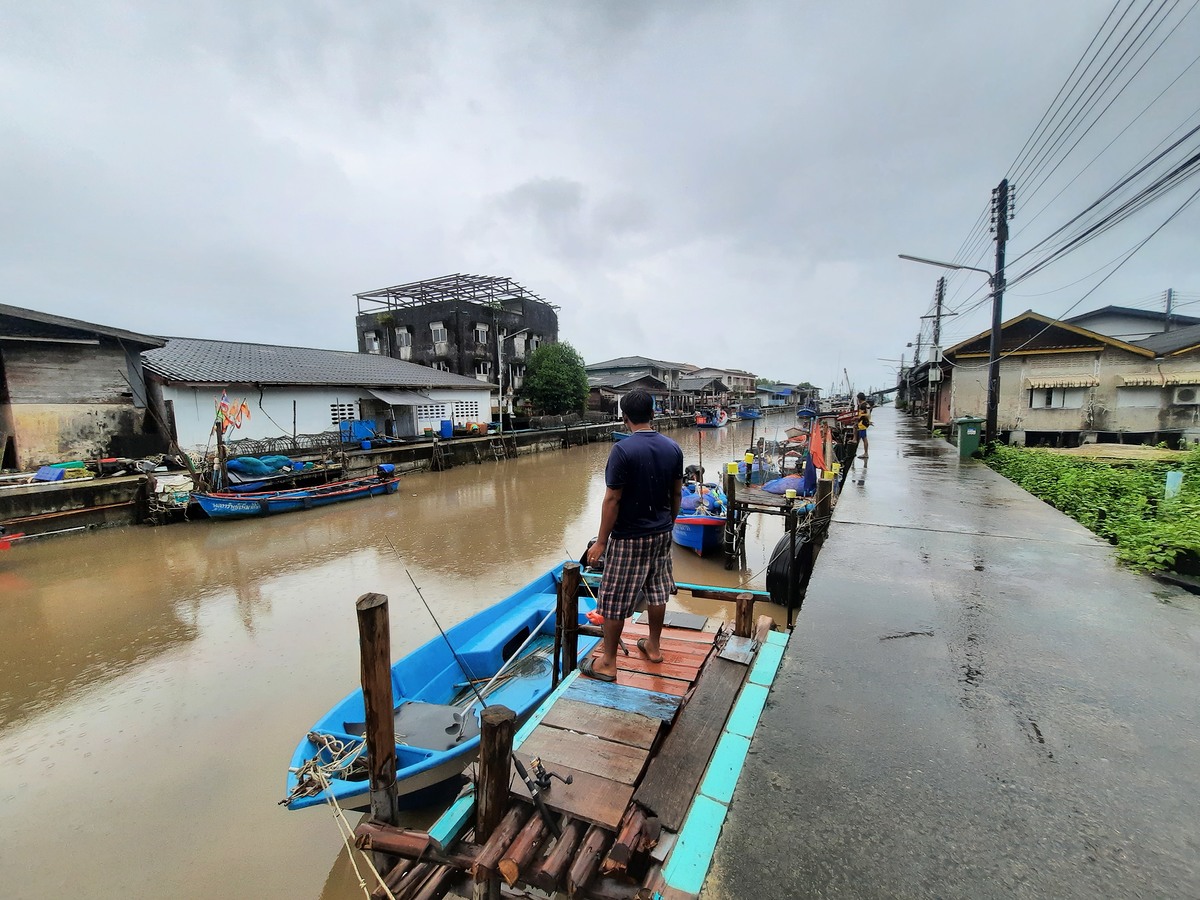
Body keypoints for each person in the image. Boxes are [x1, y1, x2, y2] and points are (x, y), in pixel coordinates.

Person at [582, 389, 684, 681]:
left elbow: (612, 500)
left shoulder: (622, 450)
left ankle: (609, 662)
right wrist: (669, 522)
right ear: (653, 414)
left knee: (613, 598)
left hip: (629, 537)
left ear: (624, 417)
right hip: (662, 533)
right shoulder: (673, 448)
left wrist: (601, 542)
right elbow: (675, 492)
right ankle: (653, 646)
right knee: (657, 590)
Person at [855, 392, 872, 459]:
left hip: (862, 423)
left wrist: (859, 417)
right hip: (863, 423)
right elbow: (868, 414)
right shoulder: (866, 404)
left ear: (859, 398)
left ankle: (866, 453)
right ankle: (857, 452)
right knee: (859, 437)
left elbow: (866, 414)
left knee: (864, 438)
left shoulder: (863, 405)